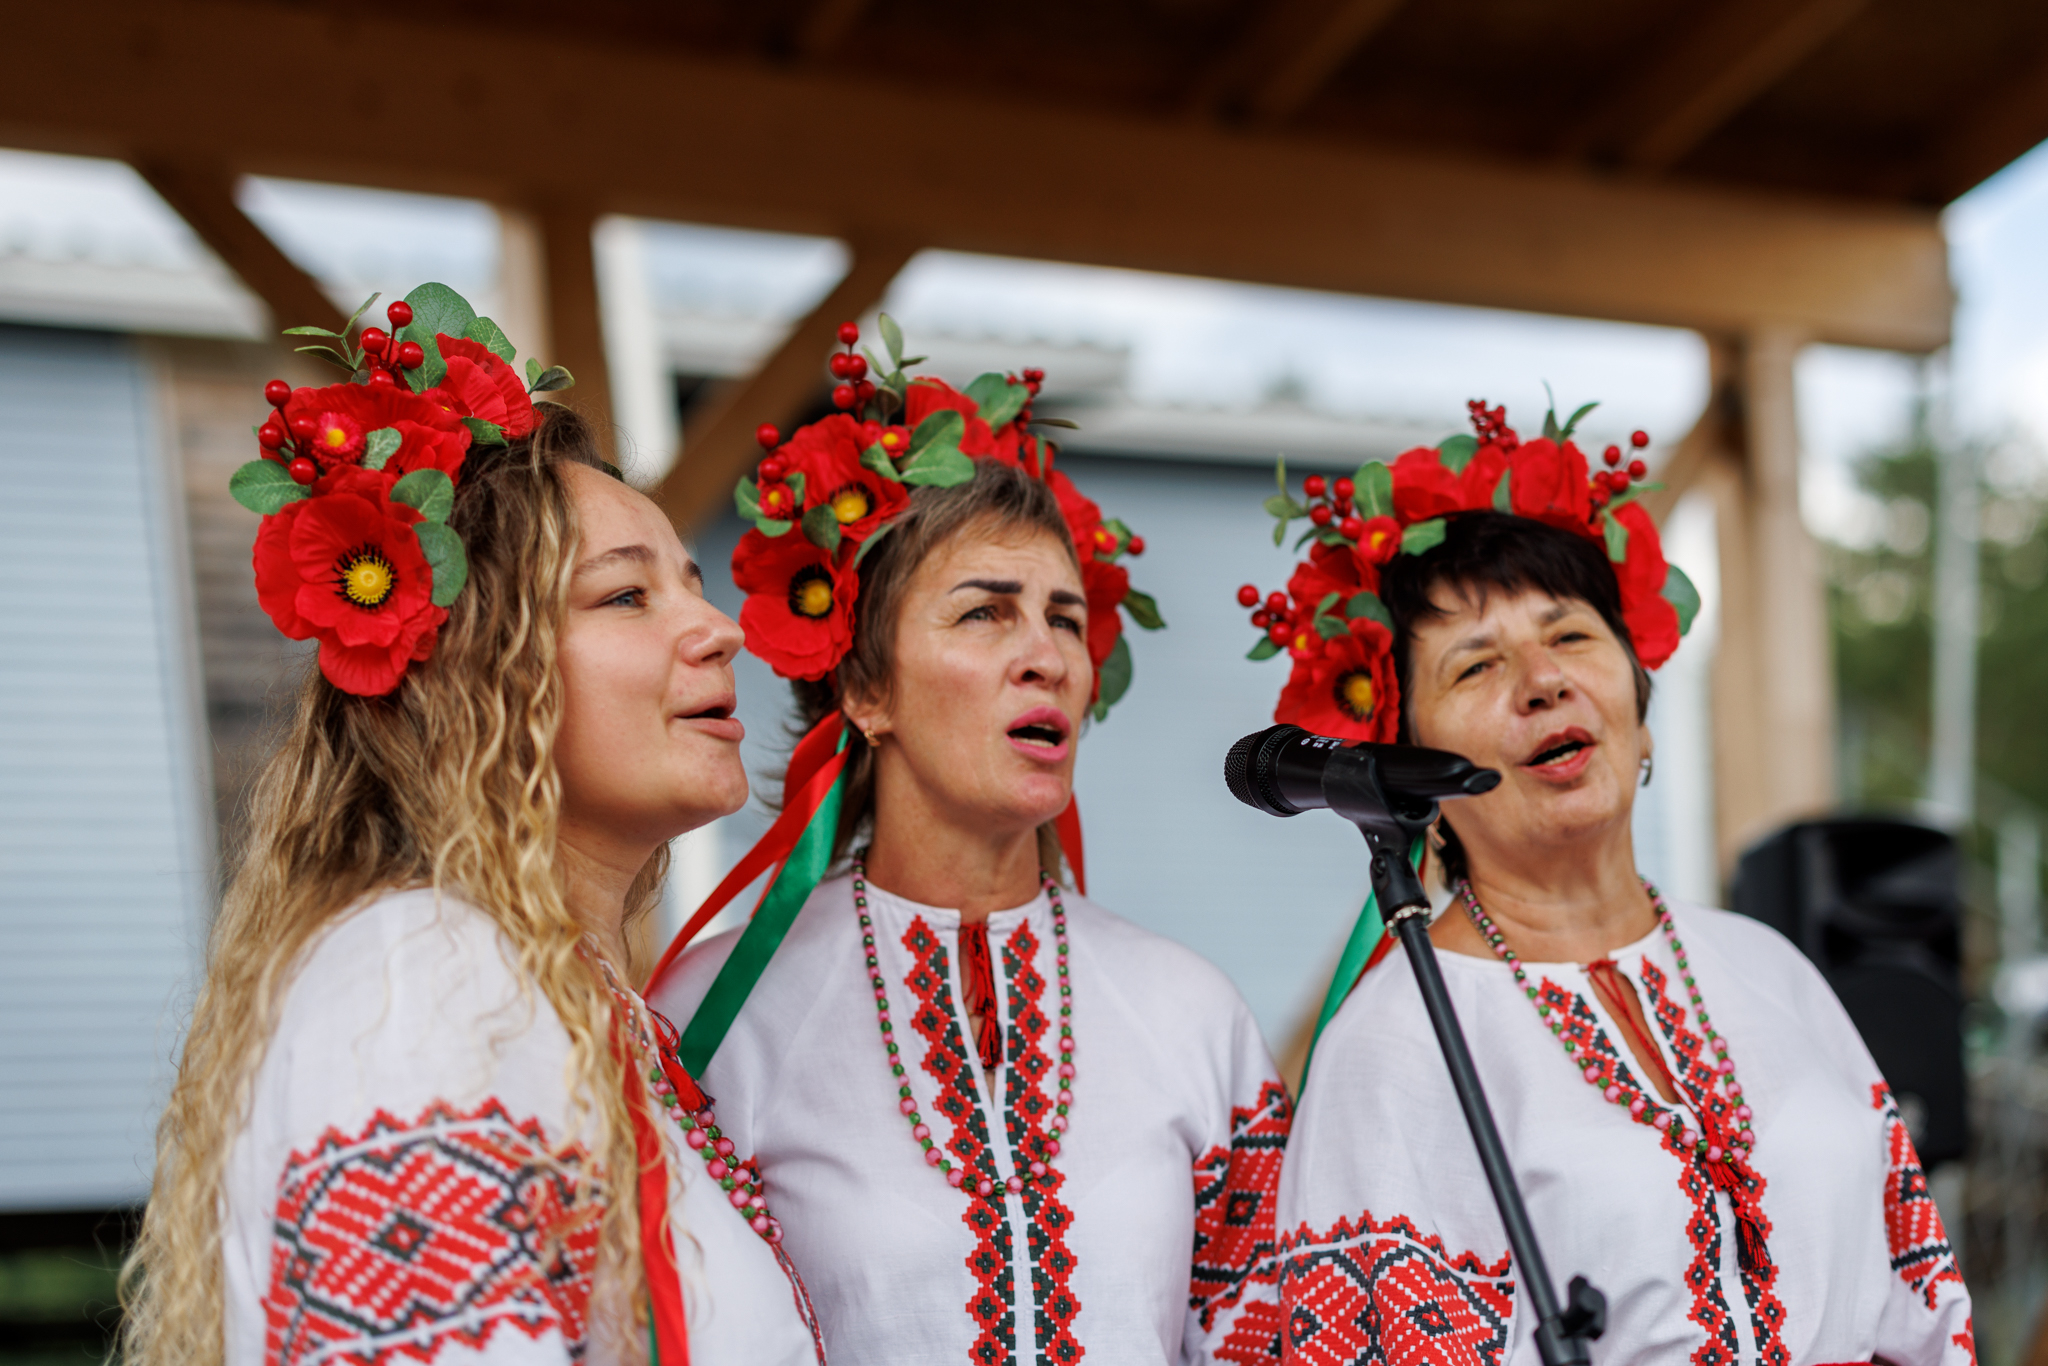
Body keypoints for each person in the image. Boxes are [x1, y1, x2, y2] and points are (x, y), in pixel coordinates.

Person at [120, 286, 823, 1366]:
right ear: (475, 668)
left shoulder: (562, 997)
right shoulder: (422, 982)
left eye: (690, 583)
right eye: (627, 597)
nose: (717, 627)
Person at [1232, 400, 1974, 1363]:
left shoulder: (1766, 966)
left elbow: (1923, 1310)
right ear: (1413, 768)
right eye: (1477, 665)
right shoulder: (1396, 1042)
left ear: (1642, 707)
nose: (1543, 681)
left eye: (1573, 637)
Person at [644, 321, 1291, 1365]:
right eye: (984, 614)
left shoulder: (1190, 1014)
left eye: (1064, 619)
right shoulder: (720, 1024)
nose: (1042, 653)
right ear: (863, 689)